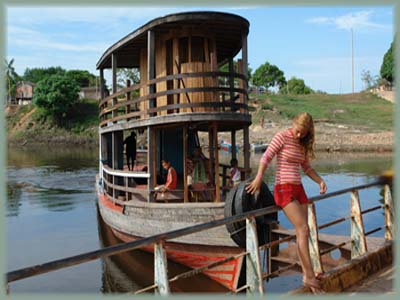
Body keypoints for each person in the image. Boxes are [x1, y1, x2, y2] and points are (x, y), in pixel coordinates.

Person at [246, 112, 327, 294]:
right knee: (303, 229)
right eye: (298, 131)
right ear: (293, 123)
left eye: (304, 133)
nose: (300, 135)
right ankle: (309, 276)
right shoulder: (281, 136)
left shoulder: (302, 143)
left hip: (299, 189)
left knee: (303, 233)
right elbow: (266, 157)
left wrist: (320, 181)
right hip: (283, 189)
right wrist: (259, 178)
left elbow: (306, 167)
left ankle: (308, 273)